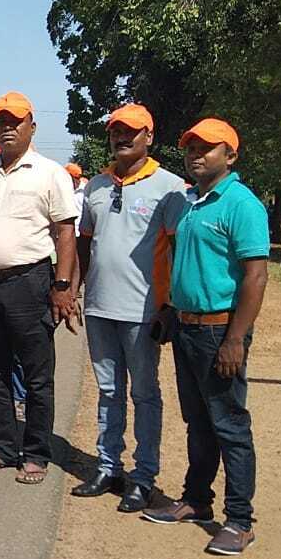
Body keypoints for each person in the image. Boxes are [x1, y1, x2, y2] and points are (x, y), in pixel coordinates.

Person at [143, 118, 269, 557]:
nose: (196, 154)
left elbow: (255, 276)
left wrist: (236, 339)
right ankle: (196, 500)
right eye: (191, 147)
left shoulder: (242, 204)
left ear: (230, 155)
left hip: (220, 331)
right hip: (186, 327)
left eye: (207, 148)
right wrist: (170, 310)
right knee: (198, 422)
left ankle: (239, 521)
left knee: (229, 425)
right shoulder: (191, 202)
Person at [0, 91, 79, 484]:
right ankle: (3, 447)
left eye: (16, 121)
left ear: (32, 127)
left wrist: (63, 285)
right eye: (1, 121)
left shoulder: (50, 173)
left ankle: (36, 453)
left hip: (29, 284)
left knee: (37, 375)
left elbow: (65, 232)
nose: (8, 127)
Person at [73, 104, 185, 511]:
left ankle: (143, 477)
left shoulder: (170, 188)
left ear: (148, 137)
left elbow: (179, 249)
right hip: (100, 307)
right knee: (108, 392)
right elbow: (85, 242)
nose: (122, 137)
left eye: (131, 131)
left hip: (143, 311)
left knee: (144, 393)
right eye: (116, 131)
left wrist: (170, 305)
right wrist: (74, 290)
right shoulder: (96, 186)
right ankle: (108, 467)